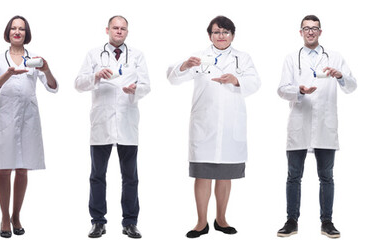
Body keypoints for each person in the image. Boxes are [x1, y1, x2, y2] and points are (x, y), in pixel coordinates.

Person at [166, 15, 260, 238]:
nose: (221, 36)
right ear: (210, 35)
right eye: (217, 32)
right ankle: (201, 223)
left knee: (225, 175)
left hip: (230, 127)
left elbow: (255, 82)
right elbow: (172, 78)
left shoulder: (243, 58)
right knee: (203, 175)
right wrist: (184, 65)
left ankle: (221, 219)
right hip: (204, 126)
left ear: (233, 35)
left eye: (226, 32)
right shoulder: (198, 57)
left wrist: (236, 80)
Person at [275, 15, 355, 239]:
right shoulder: (292, 59)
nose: (310, 32)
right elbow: (281, 89)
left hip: (324, 126)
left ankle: (327, 222)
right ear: (300, 32)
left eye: (314, 28)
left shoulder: (335, 57)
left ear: (320, 32)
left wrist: (340, 76)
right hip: (299, 124)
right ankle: (292, 221)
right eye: (306, 28)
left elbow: (352, 85)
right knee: (293, 176)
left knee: (326, 176)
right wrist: (299, 90)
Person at [74, 15, 149, 239]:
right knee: (97, 176)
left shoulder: (137, 55)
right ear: (107, 29)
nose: (119, 31)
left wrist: (135, 88)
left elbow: (147, 85)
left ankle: (130, 223)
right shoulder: (93, 54)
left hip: (127, 123)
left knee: (130, 177)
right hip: (102, 124)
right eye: (115, 28)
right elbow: (78, 84)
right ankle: (98, 222)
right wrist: (95, 76)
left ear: (127, 31)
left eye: (123, 28)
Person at [0, 15, 58, 239]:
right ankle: (4, 217)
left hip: (28, 119)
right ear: (8, 32)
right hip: (6, 119)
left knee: (23, 168)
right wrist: (7, 73)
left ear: (27, 33)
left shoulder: (35, 59)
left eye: (22, 29)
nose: (17, 32)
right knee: (4, 168)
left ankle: (17, 215)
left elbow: (53, 87)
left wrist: (46, 69)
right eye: (14, 28)